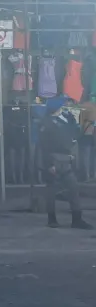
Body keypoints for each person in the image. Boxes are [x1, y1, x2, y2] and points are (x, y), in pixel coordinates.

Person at [40, 96, 92, 229]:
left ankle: (77, 219)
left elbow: (74, 131)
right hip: (54, 159)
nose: (65, 106)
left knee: (73, 188)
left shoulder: (65, 119)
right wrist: (49, 164)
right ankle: (52, 219)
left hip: (66, 159)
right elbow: (44, 146)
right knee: (51, 191)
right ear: (56, 108)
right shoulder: (46, 123)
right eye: (62, 105)